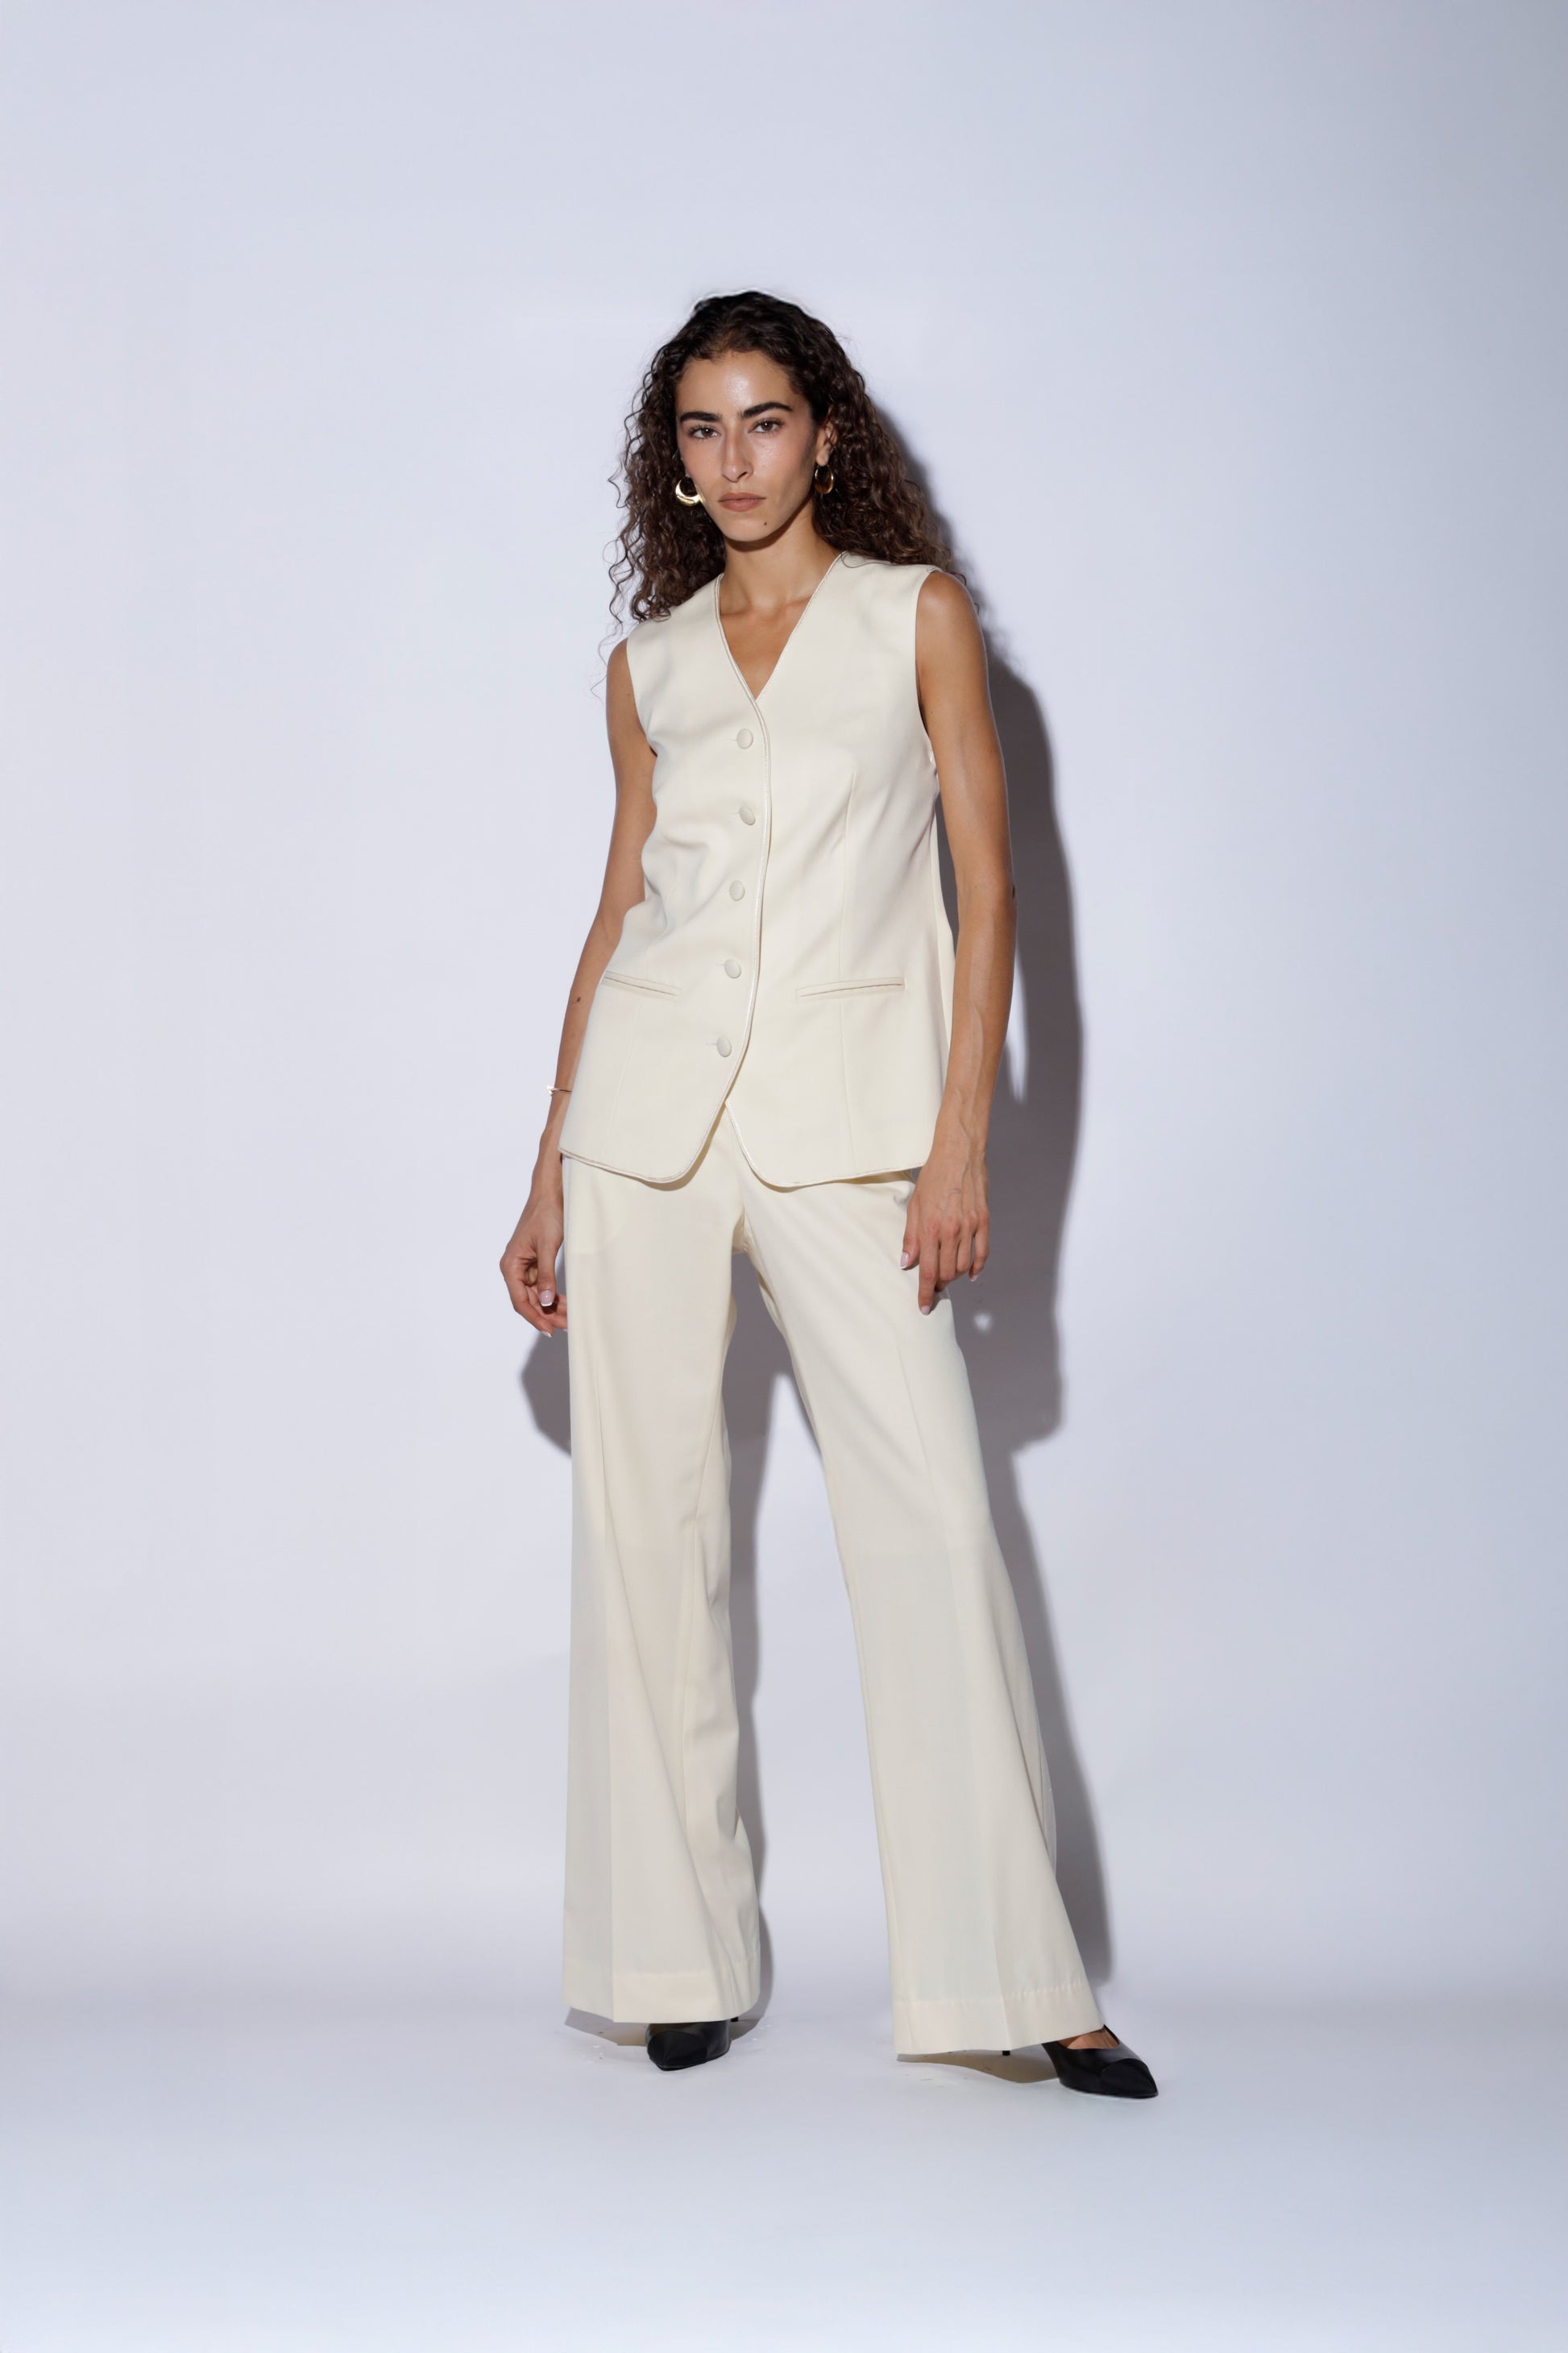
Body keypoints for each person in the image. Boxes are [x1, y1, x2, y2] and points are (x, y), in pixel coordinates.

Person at [500, 291, 1156, 2100]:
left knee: (933, 1522)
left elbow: (994, 887)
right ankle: (668, 1955)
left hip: (852, 1120)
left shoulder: (913, 620)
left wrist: (962, 1142)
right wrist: (547, 1161)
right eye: (700, 430)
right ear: (675, 459)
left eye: (764, 421)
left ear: (826, 433)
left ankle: (1017, 1977)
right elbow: (621, 907)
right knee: (646, 1538)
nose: (733, 459)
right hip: (642, 1121)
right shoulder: (647, 666)